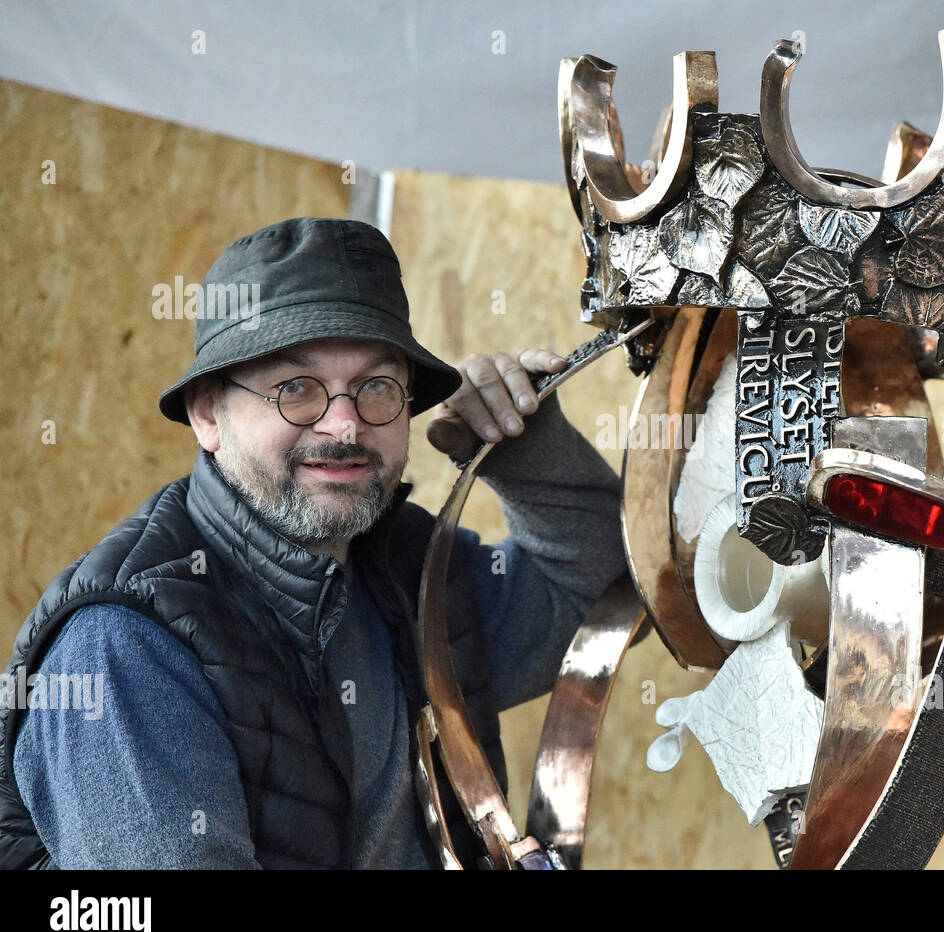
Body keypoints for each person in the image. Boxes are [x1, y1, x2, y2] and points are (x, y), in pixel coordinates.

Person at [0, 217, 627, 868]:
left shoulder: (408, 566)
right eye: (295, 388)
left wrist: (527, 446)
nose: (345, 425)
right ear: (207, 413)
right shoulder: (123, 652)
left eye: (377, 387)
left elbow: (599, 604)